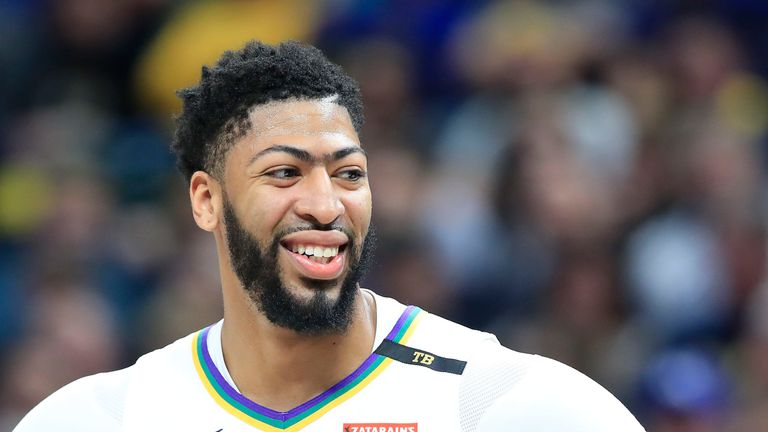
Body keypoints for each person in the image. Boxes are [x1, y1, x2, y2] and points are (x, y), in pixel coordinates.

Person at [14, 40, 645, 432]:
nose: (324, 204)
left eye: (348, 174)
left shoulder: (499, 403)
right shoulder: (106, 418)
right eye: (284, 173)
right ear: (206, 201)